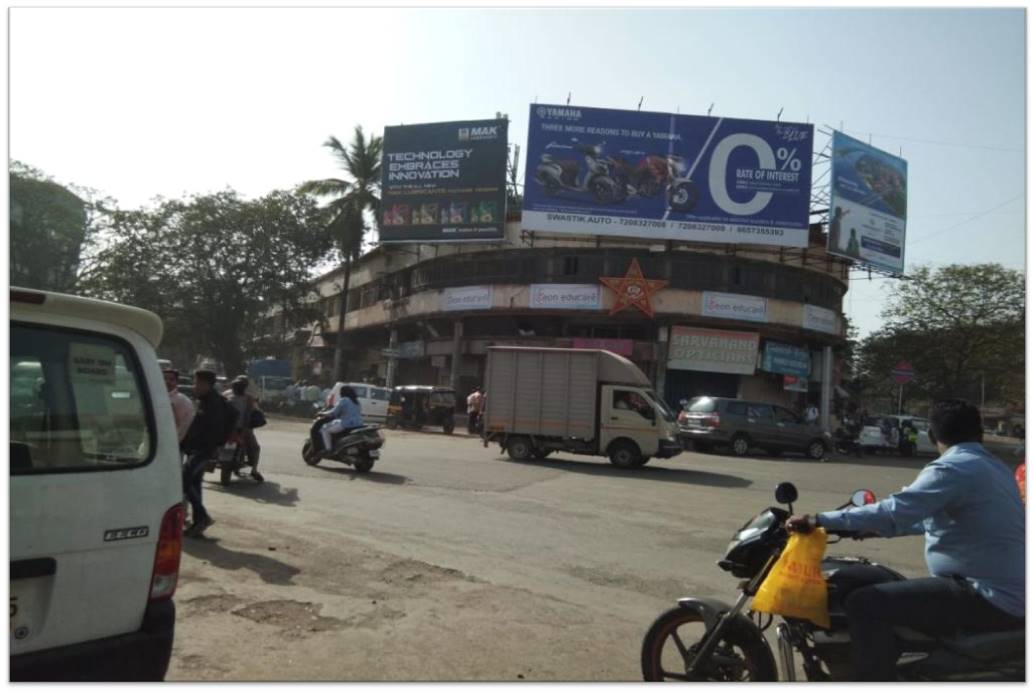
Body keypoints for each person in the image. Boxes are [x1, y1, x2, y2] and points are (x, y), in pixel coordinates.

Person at [786, 399, 1025, 681]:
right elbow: (932, 519)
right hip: (1006, 589)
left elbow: (894, 510)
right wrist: (876, 529)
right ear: (980, 434)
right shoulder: (994, 467)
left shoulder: (951, 469)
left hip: (987, 595)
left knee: (864, 602)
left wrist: (819, 520)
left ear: (934, 436)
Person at [180, 370, 229, 537]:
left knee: (184, 479)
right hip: (198, 449)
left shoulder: (212, 403)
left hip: (203, 450)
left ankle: (202, 516)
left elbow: (210, 431)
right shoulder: (206, 400)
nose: (194, 387)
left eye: (196, 383)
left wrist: (205, 451)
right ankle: (199, 522)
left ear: (205, 384)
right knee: (194, 483)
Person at [227, 378, 264, 482]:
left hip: (225, 429)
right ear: (245, 387)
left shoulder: (225, 395)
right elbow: (249, 416)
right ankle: (254, 470)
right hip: (241, 429)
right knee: (256, 448)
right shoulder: (248, 398)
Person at [318, 385, 364, 453]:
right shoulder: (357, 402)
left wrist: (322, 413)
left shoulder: (344, 400)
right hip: (359, 424)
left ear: (344, 392)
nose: (340, 394)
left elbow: (333, 412)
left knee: (324, 430)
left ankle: (328, 449)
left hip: (347, 424)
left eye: (340, 392)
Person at [163, 368, 195, 442]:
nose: (167, 382)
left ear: (176, 382)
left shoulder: (183, 401)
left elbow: (185, 425)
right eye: (164, 378)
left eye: (171, 379)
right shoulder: (155, 398)